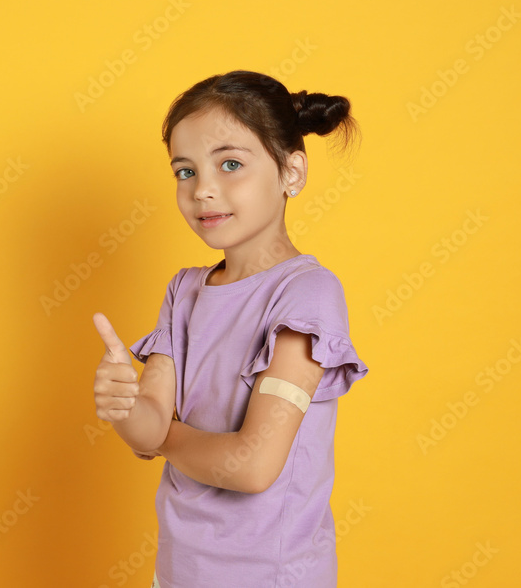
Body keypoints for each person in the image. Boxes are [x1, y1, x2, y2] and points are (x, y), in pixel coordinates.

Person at [92, 70, 370, 587]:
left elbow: (252, 464)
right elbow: (146, 429)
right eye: (185, 172)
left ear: (292, 172)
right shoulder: (185, 291)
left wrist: (160, 434)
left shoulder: (307, 295)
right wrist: (126, 407)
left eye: (231, 164)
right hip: (180, 573)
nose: (203, 191)